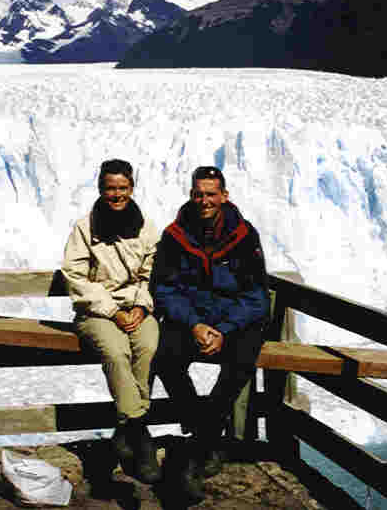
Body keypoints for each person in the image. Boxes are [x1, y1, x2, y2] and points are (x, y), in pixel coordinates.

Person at [151, 166, 270, 502]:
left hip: (233, 324)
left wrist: (224, 329)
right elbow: (165, 289)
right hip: (194, 322)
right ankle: (207, 437)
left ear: (224, 196)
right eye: (199, 193)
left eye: (211, 194)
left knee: (241, 364)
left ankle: (198, 444)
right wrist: (194, 325)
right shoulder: (175, 235)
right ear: (192, 195)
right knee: (164, 356)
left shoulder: (245, 236)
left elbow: (256, 296)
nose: (205, 200)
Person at [62, 159, 162, 483]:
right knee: (117, 353)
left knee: (147, 347)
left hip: (136, 309)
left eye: (122, 188)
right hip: (97, 311)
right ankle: (139, 431)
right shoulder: (84, 227)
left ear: (131, 188)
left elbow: (154, 274)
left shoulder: (145, 227)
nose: (116, 194)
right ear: (101, 189)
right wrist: (112, 310)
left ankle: (124, 433)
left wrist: (141, 308)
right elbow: (75, 276)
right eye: (110, 188)